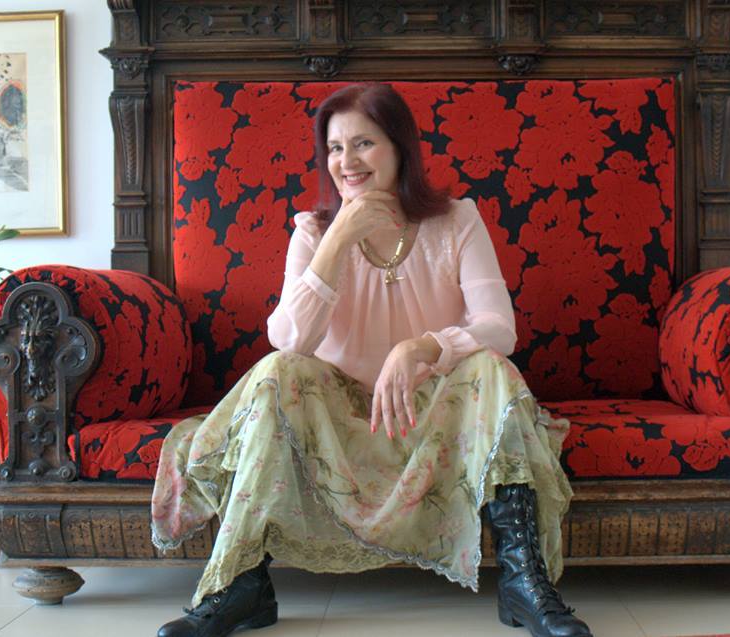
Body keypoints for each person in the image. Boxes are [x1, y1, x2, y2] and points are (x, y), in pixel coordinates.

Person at [153, 83, 593, 637]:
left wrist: (421, 348)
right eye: (335, 148)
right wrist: (338, 239)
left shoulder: (457, 220)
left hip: (434, 416)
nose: (347, 161)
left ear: (400, 148)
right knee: (278, 373)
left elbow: (499, 328)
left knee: (491, 370)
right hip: (334, 425)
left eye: (363, 143)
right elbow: (288, 340)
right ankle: (242, 584)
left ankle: (523, 582)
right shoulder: (313, 232)